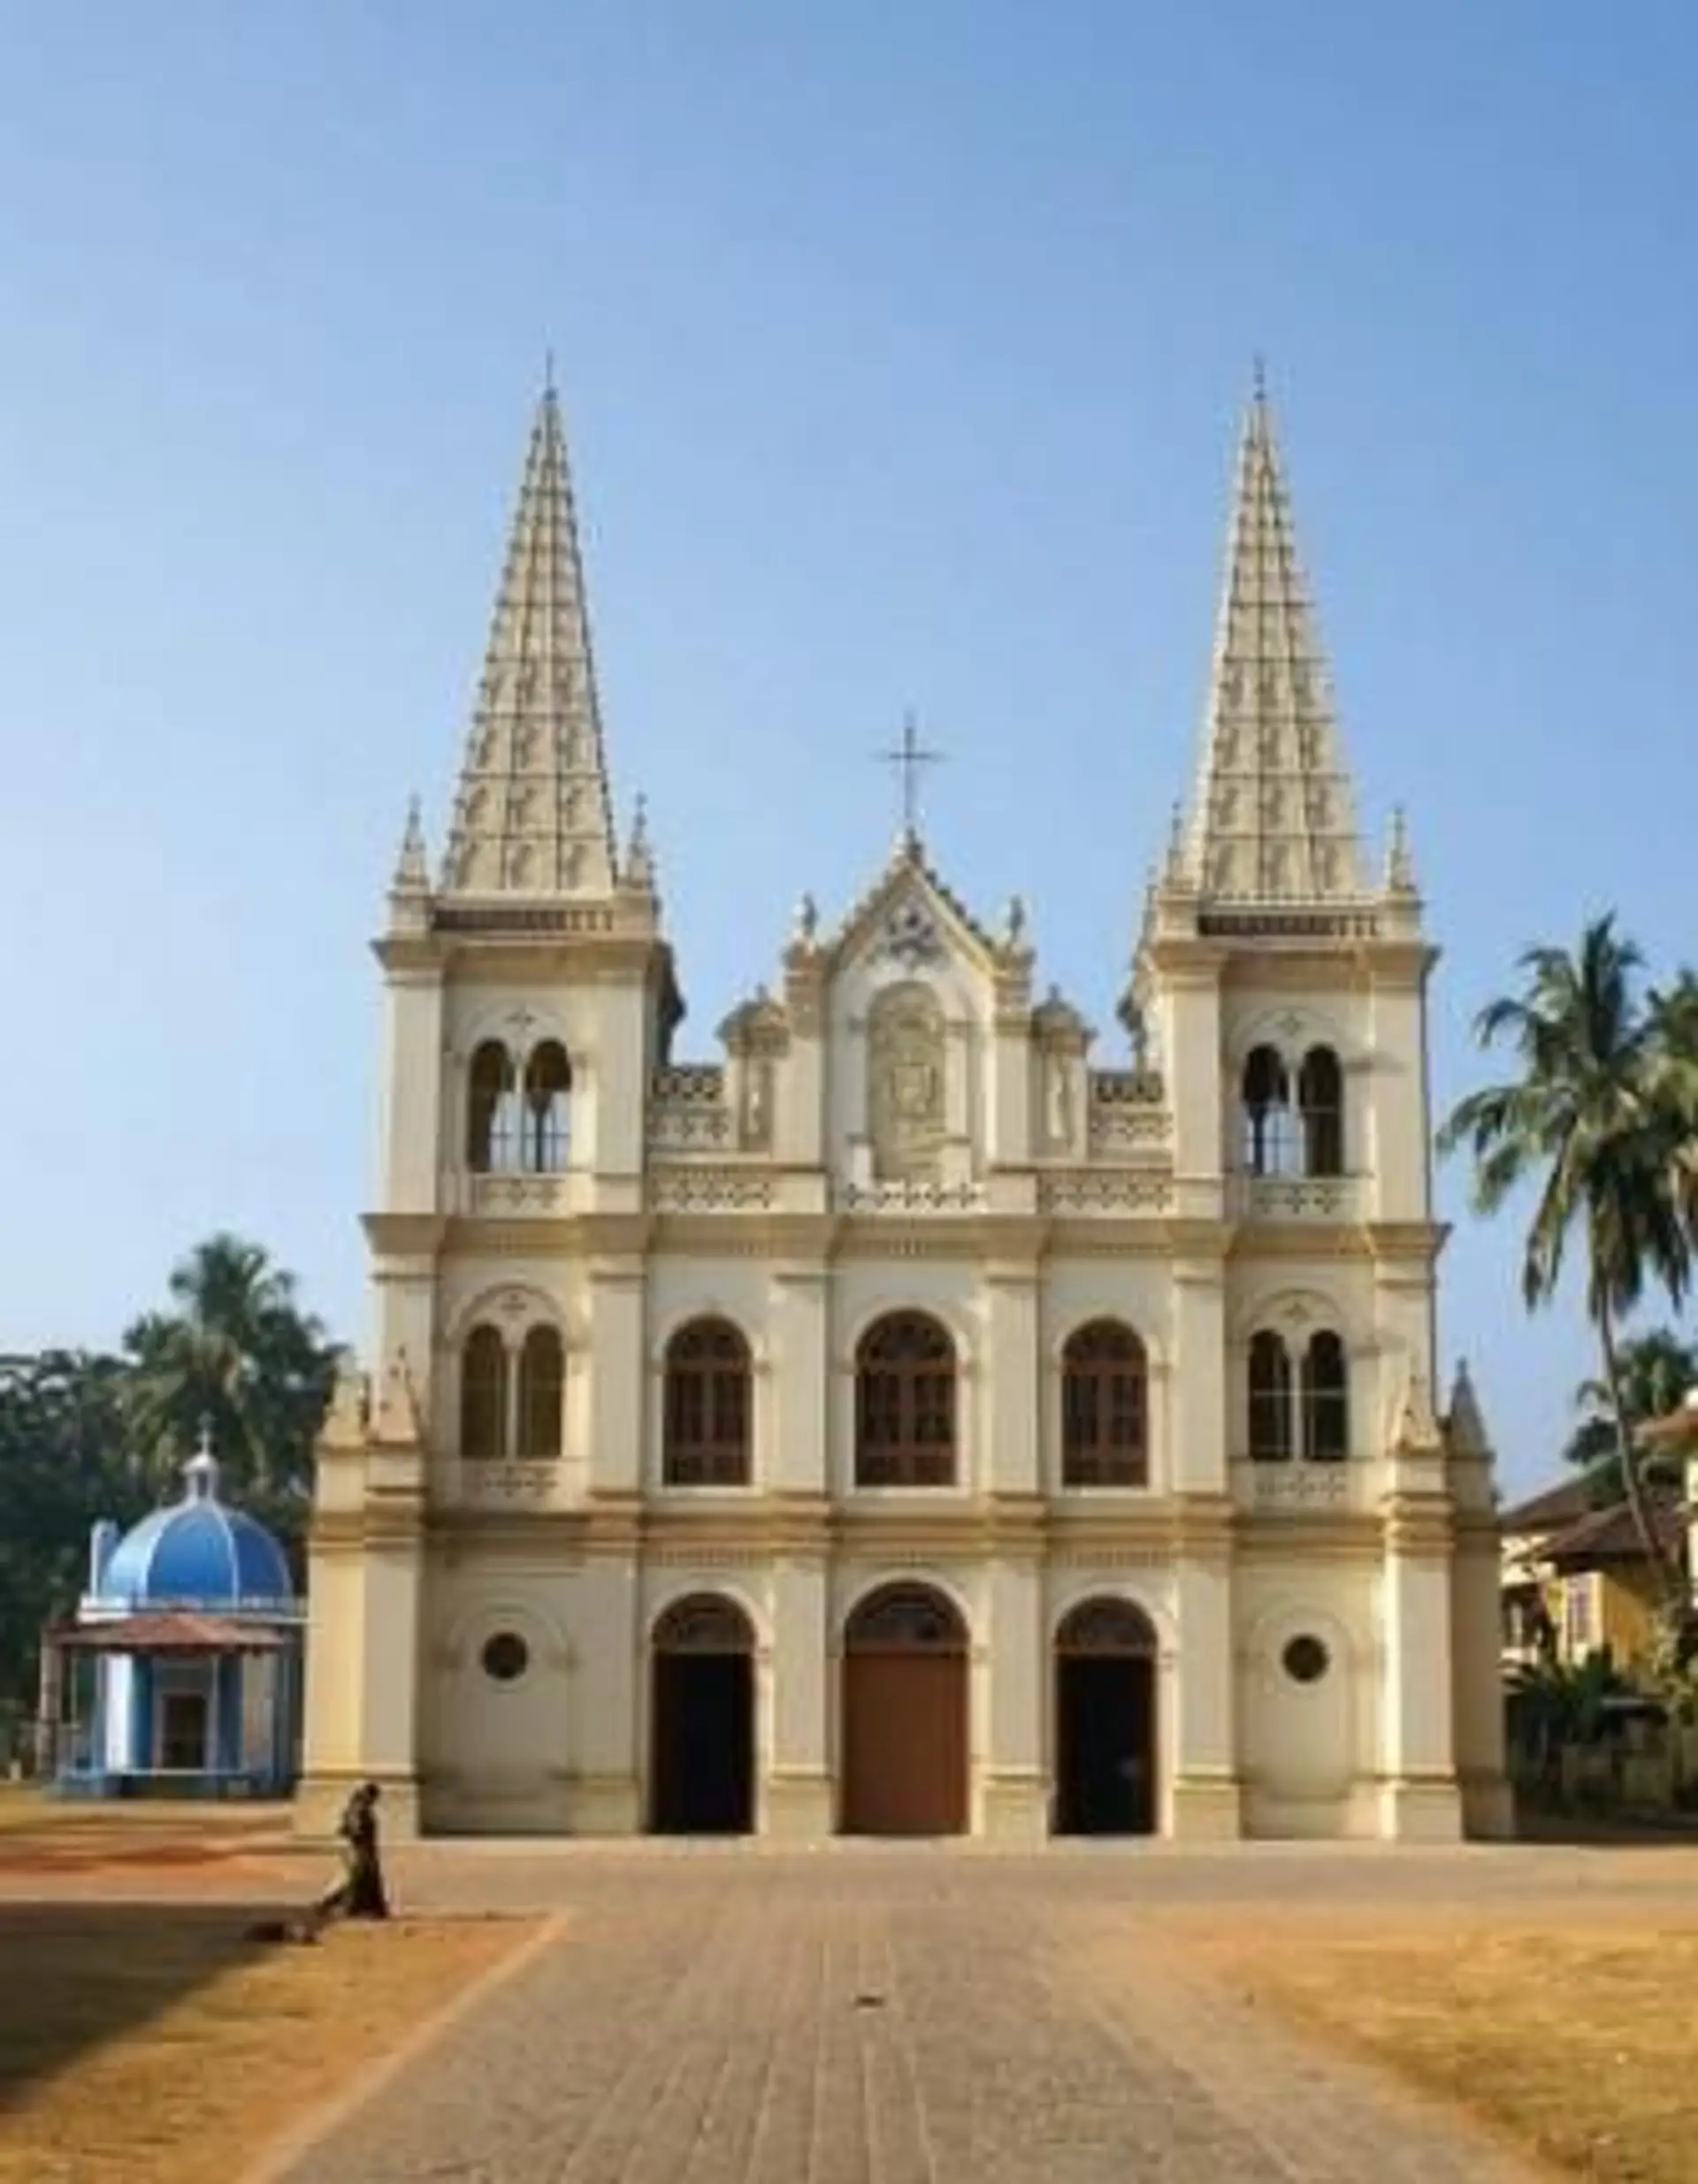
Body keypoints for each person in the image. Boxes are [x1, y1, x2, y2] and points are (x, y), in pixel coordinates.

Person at [316, 1780, 390, 1922]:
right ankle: (336, 1906)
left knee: (363, 1880)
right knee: (357, 1881)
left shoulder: (359, 1808)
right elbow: (353, 1830)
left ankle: (371, 1909)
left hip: (365, 1850)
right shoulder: (358, 1809)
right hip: (360, 1850)